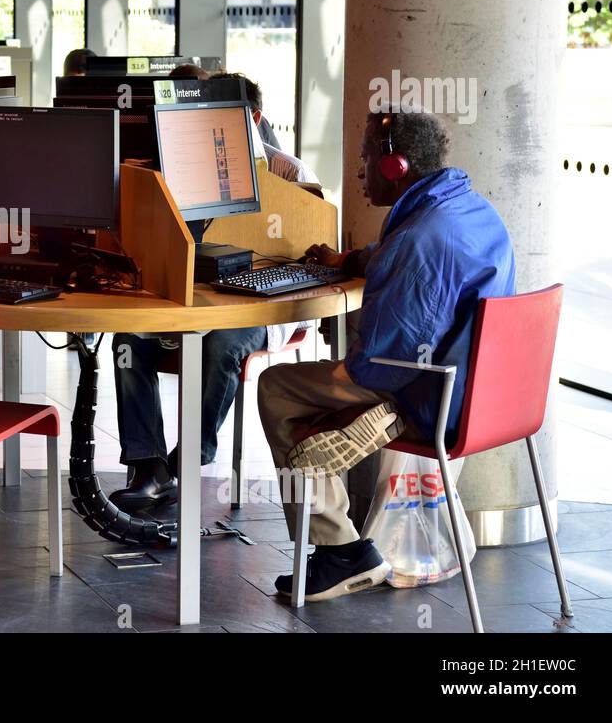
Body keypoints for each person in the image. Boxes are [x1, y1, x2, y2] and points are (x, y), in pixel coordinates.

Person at [263, 109, 514, 602]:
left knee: (277, 389)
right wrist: (350, 262)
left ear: (394, 166)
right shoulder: (465, 208)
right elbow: (404, 254)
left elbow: (380, 360)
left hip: (429, 395)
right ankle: (338, 545)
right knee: (304, 400)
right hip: (485, 393)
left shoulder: (419, 242)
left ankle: (339, 551)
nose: (359, 171)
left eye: (364, 158)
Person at [108, 74, 317, 514]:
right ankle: (149, 469)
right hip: (197, 297)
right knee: (130, 340)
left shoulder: (289, 172)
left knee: (223, 344)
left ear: (253, 119)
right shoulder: (180, 171)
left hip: (266, 304)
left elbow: (311, 257)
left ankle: (187, 459)